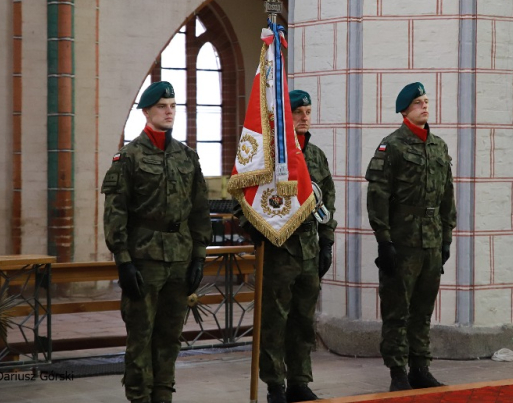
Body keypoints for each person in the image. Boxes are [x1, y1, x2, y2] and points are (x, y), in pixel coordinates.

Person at [102, 81, 212, 403]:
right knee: (140, 336)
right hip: (144, 258)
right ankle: (139, 397)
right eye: (162, 106)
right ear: (147, 111)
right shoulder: (129, 157)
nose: (169, 111)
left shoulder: (187, 156)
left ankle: (163, 396)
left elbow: (199, 208)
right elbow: (115, 211)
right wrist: (123, 260)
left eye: (173, 106)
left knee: (169, 336)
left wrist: (200, 256)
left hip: (180, 256)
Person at [235, 89, 337, 403]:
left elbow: (327, 199)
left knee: (303, 322)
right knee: (274, 323)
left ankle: (299, 382)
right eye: (298, 113)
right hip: (279, 250)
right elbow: (241, 197)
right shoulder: (266, 156)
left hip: (309, 247)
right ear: (285, 118)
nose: (305, 118)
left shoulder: (316, 155)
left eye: (308, 112)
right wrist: (254, 230)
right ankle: (274, 385)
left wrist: (327, 242)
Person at [365, 82, 456, 392]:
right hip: (402, 242)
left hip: (431, 240)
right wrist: (384, 240)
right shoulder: (392, 146)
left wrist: (446, 237)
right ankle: (397, 372)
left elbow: (447, 195)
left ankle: (420, 367)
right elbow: (378, 195)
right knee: (397, 309)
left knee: (423, 308)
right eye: (418, 102)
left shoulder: (439, 146)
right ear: (404, 110)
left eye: (427, 101)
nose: (425, 106)